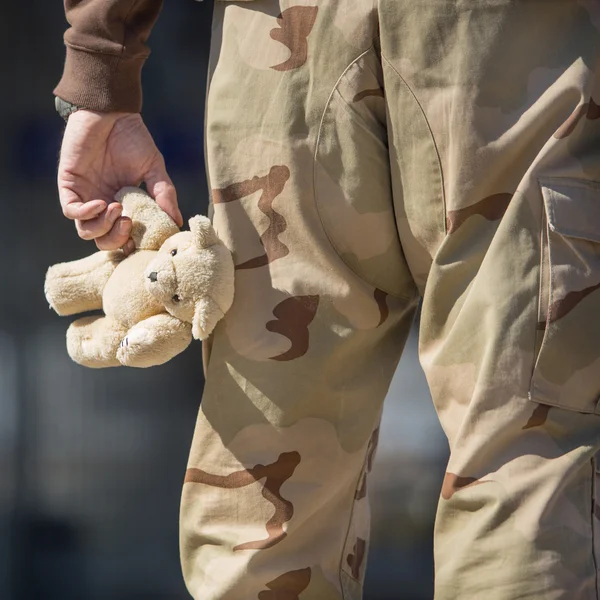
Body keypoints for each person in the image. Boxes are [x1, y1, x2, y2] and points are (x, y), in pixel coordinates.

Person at [55, 1, 600, 598]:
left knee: (265, 498)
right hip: (501, 34)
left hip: (282, 38)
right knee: (523, 452)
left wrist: (99, 66)